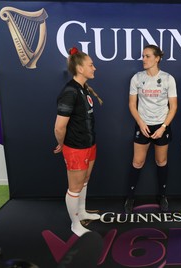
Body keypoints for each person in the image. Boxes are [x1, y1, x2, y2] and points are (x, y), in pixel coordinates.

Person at [54, 47, 103, 236]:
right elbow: (59, 127)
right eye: (91, 65)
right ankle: (75, 224)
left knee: (85, 181)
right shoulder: (70, 92)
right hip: (76, 148)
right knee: (74, 187)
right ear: (80, 68)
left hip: (89, 144)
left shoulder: (83, 89)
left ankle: (82, 212)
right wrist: (62, 144)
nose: (94, 68)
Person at [125, 44, 178, 213]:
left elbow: (174, 106)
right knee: (137, 161)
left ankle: (162, 195)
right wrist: (141, 123)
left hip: (162, 126)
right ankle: (130, 197)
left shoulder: (168, 78)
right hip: (143, 125)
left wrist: (163, 127)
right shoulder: (136, 78)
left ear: (157, 58)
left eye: (147, 56)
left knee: (161, 161)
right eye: (143, 56)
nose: (144, 59)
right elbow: (132, 105)